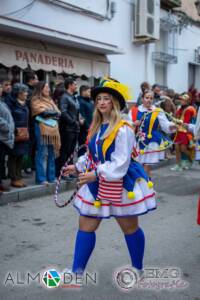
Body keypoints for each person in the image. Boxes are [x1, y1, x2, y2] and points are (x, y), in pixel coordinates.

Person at [63, 78, 157, 277]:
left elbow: (121, 163)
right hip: (97, 182)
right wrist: (78, 166)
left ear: (114, 102)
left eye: (106, 98)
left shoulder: (123, 128)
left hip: (121, 183)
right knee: (85, 225)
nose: (101, 102)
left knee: (130, 228)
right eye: (98, 99)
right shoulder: (96, 127)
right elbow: (92, 154)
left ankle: (137, 268)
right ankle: (77, 272)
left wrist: (95, 173)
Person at [129, 89, 176, 177]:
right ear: (142, 98)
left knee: (147, 165)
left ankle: (146, 186)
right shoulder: (134, 110)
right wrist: (133, 124)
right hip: (138, 141)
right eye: (147, 97)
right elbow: (127, 124)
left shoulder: (157, 111)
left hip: (151, 141)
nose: (149, 100)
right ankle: (145, 186)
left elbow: (165, 125)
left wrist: (173, 126)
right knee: (138, 165)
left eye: (151, 98)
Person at [31, 82, 61, 185]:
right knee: (42, 154)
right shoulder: (35, 100)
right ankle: (41, 179)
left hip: (52, 130)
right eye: (46, 87)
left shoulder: (50, 100)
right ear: (41, 88)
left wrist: (52, 113)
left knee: (52, 154)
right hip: (41, 129)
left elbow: (59, 113)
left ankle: (51, 177)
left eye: (49, 87)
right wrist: (53, 113)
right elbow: (42, 113)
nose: (49, 89)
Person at [56, 77, 80, 177]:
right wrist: (73, 122)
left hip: (74, 128)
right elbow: (63, 112)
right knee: (65, 151)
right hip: (67, 129)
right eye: (75, 84)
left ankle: (69, 171)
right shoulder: (64, 97)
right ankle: (62, 172)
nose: (76, 86)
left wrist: (79, 120)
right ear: (70, 85)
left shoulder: (73, 97)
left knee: (71, 152)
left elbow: (76, 111)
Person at [8, 83, 29, 188]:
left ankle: (19, 176)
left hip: (24, 134)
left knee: (20, 156)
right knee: (14, 156)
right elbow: (10, 119)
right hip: (15, 133)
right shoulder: (12, 104)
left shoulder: (25, 103)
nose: (26, 93)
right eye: (24, 91)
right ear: (19, 93)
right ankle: (13, 178)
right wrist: (15, 129)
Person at [171, 94, 196, 171]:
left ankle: (191, 159)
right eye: (181, 99)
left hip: (185, 132)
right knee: (177, 148)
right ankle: (178, 164)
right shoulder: (180, 108)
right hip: (178, 131)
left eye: (183, 100)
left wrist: (177, 121)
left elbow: (186, 122)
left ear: (187, 101)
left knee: (183, 149)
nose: (181, 101)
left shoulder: (189, 109)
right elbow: (176, 117)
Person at [0, 83, 15, 192]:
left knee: (1, 162)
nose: (1, 89)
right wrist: (7, 127)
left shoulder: (2, 101)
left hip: (4, 137)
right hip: (1, 136)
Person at [77, 85, 94, 156]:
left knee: (89, 149)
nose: (90, 93)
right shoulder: (80, 102)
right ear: (83, 92)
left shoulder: (90, 102)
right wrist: (88, 128)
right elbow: (82, 117)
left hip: (91, 129)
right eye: (89, 91)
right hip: (84, 131)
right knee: (83, 149)